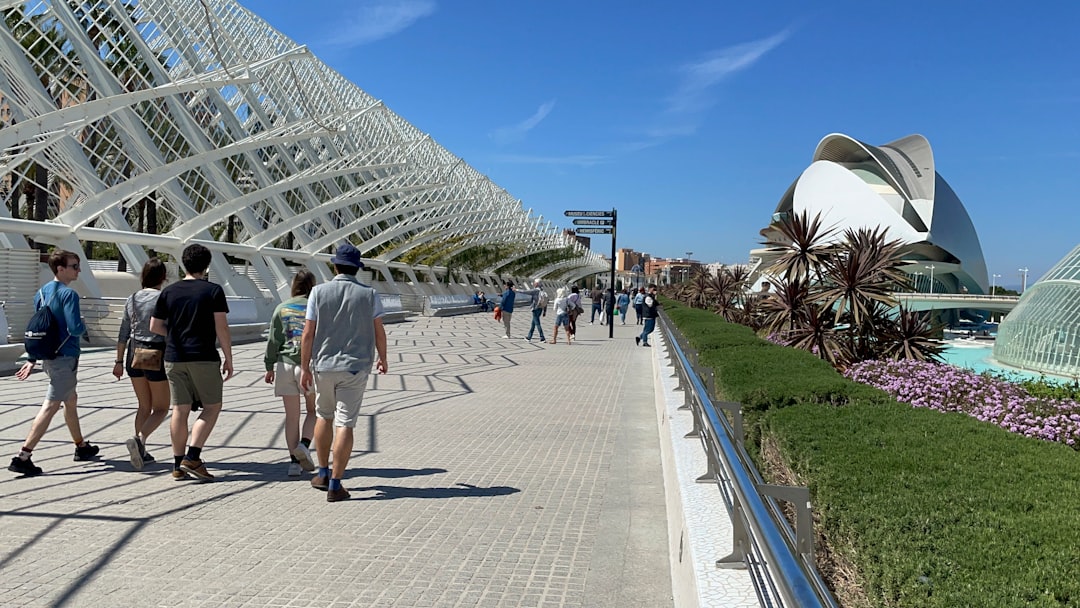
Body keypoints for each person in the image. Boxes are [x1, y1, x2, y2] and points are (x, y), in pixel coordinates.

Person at [300, 242, 388, 503]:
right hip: (355, 367)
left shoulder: (318, 292)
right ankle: (336, 484)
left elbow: (308, 333)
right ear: (357, 269)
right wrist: (383, 358)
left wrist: (304, 367)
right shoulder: (369, 294)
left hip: (323, 366)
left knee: (323, 416)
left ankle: (323, 472)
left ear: (335, 265)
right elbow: (378, 330)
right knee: (345, 423)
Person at [8, 250, 97, 477]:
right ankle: (23, 456)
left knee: (71, 399)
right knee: (51, 405)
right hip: (65, 357)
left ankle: (81, 446)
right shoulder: (69, 295)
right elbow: (75, 328)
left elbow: (41, 327)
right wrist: (85, 325)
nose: (79, 270)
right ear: (61, 269)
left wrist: (32, 359)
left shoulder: (41, 293)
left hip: (49, 356)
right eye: (75, 266)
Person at [150, 244, 233, 482]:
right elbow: (222, 327)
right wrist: (228, 357)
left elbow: (155, 326)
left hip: (174, 357)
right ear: (206, 266)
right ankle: (193, 457)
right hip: (203, 356)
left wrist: (175, 336)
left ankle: (177, 465)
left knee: (180, 410)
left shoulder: (168, 292)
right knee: (212, 406)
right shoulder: (213, 291)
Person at [113, 258, 170, 471]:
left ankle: (142, 452)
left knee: (144, 405)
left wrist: (118, 361)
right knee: (161, 408)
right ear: (163, 277)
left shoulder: (132, 298)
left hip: (132, 354)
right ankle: (139, 440)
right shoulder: (163, 298)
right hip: (155, 352)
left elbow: (122, 333)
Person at [264, 270, 318, 477]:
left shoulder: (281, 308)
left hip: (284, 365)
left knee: (291, 416)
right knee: (313, 411)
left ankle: (294, 464)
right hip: (308, 365)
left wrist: (269, 366)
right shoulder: (316, 307)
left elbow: (273, 340)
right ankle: (304, 445)